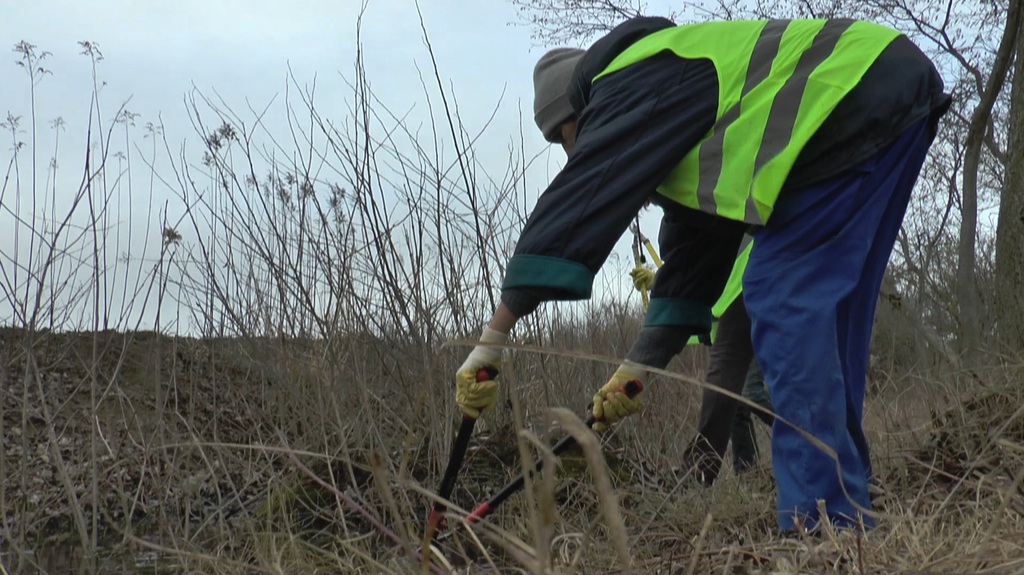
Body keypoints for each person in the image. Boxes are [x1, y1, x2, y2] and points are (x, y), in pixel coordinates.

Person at [455, 16, 950, 533]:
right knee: (834, 320)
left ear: (582, 113)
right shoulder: (680, 108)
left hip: (847, 96)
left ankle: (822, 529)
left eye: (566, 138)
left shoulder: (628, 77)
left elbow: (579, 202)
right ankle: (846, 501)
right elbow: (691, 266)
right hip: (885, 87)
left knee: (779, 297)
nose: (572, 153)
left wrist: (492, 338)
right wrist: (635, 371)